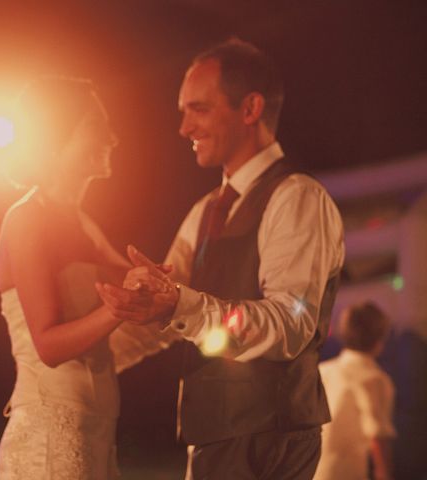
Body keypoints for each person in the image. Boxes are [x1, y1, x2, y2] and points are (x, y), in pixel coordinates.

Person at [96, 38, 345, 479]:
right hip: (214, 434)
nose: (184, 128)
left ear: (250, 109)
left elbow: (290, 324)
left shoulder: (297, 197)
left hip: (271, 439)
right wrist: (86, 361)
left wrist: (179, 305)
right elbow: (167, 319)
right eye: (183, 111)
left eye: (199, 109)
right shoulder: (205, 210)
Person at [0, 76, 175, 479]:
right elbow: (49, 345)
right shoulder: (26, 219)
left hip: (95, 434)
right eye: (99, 124)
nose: (113, 138)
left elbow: (137, 291)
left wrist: (161, 288)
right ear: (61, 133)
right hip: (47, 441)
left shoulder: (84, 224)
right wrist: (119, 307)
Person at [314, 302, 396, 480]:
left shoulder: (323, 370)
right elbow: (378, 436)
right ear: (380, 338)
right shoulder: (374, 378)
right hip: (345, 473)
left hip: (313, 471)